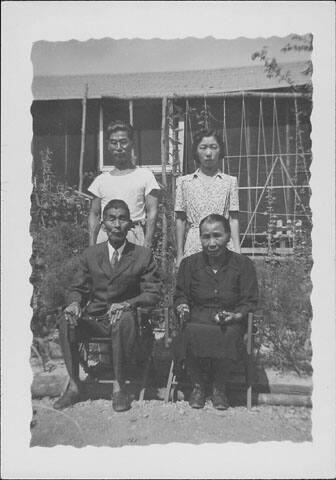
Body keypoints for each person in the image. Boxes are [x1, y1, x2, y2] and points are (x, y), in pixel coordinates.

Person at [54, 199, 161, 412]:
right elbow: (77, 287)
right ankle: (75, 385)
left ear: (130, 224)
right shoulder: (91, 254)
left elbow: (153, 292)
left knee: (123, 318)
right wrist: (74, 303)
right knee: (65, 320)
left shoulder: (142, 255)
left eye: (122, 219)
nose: (117, 224)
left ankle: (119, 387)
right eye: (111, 218)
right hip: (95, 319)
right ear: (103, 223)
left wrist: (127, 304)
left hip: (127, 320)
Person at [173, 214, 258, 410]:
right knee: (189, 331)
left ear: (228, 236)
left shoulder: (243, 265)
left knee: (229, 333)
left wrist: (236, 315)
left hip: (229, 318)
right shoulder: (189, 264)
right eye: (206, 236)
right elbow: (180, 295)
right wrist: (182, 306)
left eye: (217, 236)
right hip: (197, 317)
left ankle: (219, 388)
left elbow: (250, 300)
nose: (211, 243)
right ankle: (198, 386)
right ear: (200, 238)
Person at [88, 120, 160, 248]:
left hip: (133, 235)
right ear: (108, 145)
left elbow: (152, 211)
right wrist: (92, 245)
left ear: (132, 143)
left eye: (123, 142)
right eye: (114, 143)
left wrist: (147, 242)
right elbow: (94, 214)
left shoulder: (145, 176)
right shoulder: (101, 180)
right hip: (106, 236)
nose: (119, 147)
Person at [175, 128, 240, 268]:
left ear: (220, 150)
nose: (208, 153)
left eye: (213, 147)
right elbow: (180, 220)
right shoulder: (184, 182)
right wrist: (179, 254)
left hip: (222, 243)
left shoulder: (230, 182)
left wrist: (238, 251)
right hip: (194, 243)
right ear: (196, 151)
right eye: (203, 148)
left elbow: (234, 219)